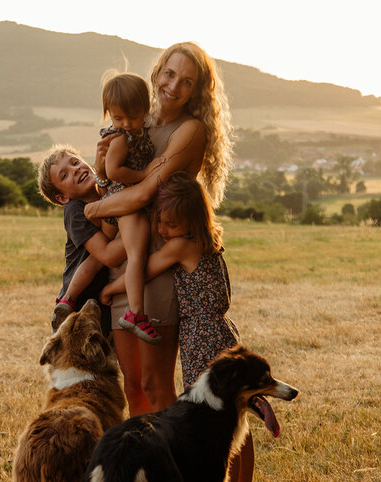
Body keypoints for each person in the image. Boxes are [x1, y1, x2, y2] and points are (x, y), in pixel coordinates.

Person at [85, 42, 234, 418]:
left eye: (187, 81)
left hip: (158, 267)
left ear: (197, 91)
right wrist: (102, 173)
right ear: (157, 72)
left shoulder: (190, 131)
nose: (174, 86)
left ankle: (177, 468)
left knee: (156, 386)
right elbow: (115, 190)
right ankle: (146, 472)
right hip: (124, 260)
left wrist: (92, 207)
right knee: (133, 388)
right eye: (170, 74)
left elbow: (146, 193)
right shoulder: (135, 121)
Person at [99, 172, 254, 482]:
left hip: (204, 343)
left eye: (170, 223)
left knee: (217, 428)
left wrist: (110, 292)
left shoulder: (182, 245)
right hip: (222, 334)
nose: (163, 230)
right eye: (160, 223)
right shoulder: (208, 240)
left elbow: (147, 268)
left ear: (190, 220)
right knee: (235, 421)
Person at [62, 73, 160, 344]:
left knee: (133, 252)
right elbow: (114, 170)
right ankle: (135, 313)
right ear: (108, 115)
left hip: (123, 201)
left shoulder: (138, 132)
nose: (126, 124)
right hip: (124, 203)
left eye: (133, 116)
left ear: (146, 109)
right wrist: (145, 176)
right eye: (118, 119)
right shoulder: (120, 139)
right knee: (136, 253)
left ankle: (128, 310)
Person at [37, 145, 126, 335]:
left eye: (75, 162)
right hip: (79, 301)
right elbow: (105, 253)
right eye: (64, 175)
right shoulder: (74, 211)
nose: (75, 170)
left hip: (102, 295)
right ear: (62, 197)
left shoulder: (108, 191)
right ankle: (66, 301)